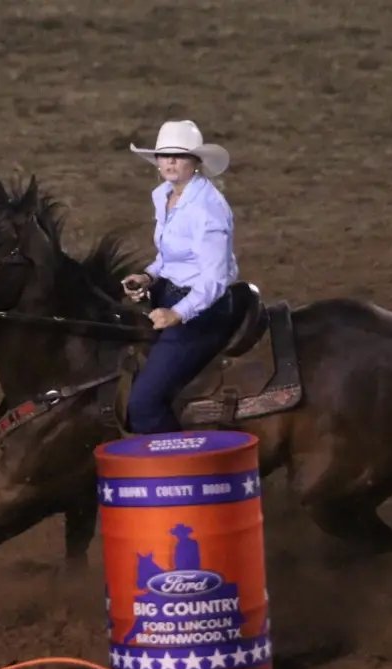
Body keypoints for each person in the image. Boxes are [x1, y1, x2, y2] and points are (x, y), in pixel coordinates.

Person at [121, 119, 240, 435]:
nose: (171, 162)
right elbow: (170, 255)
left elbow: (214, 280)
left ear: (196, 162)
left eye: (180, 155)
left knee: (143, 405)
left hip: (203, 312)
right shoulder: (164, 195)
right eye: (165, 155)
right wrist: (148, 276)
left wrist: (177, 313)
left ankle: (182, 461)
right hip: (169, 295)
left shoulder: (208, 209)